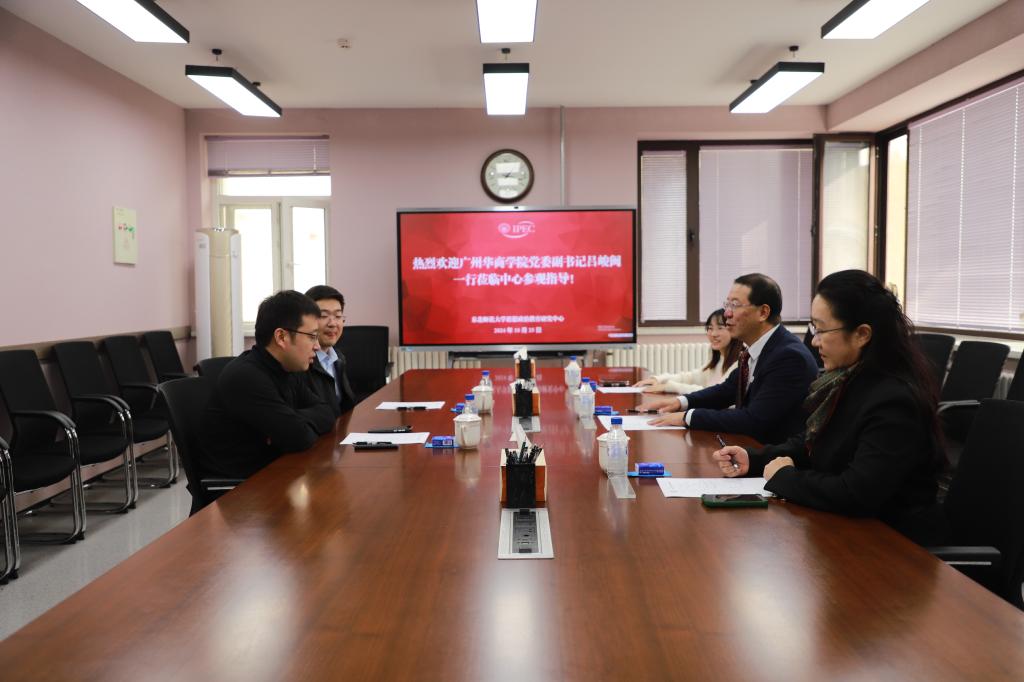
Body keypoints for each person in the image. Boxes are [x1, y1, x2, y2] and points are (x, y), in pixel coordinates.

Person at [712, 270, 944, 544]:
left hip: (891, 545)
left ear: (862, 334)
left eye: (821, 330)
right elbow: (812, 444)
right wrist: (754, 459)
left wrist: (785, 478)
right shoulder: (847, 380)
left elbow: (856, 493)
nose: (814, 341)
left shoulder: (894, 400)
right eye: (814, 329)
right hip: (845, 531)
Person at [640, 273, 818, 444]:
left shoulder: (789, 357)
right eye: (727, 304)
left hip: (774, 457)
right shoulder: (755, 349)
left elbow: (754, 419)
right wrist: (680, 402)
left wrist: (688, 417)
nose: (727, 313)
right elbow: (727, 390)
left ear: (763, 312)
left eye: (735, 305)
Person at [198, 290, 336, 479]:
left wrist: (292, 420)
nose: (317, 346)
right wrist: (292, 425)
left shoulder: (288, 367)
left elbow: (327, 412)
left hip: (276, 469)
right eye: (312, 336)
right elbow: (300, 438)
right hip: (241, 487)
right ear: (281, 337)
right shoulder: (246, 377)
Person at [633, 308, 742, 394]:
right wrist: (658, 379)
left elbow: (713, 393)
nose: (713, 334)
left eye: (720, 328)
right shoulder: (719, 358)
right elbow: (690, 377)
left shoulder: (739, 362)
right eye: (710, 328)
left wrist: (668, 387)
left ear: (733, 329)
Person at [305, 285, 357, 417]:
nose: (333, 323)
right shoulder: (302, 362)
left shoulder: (338, 358)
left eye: (338, 316)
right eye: (323, 316)